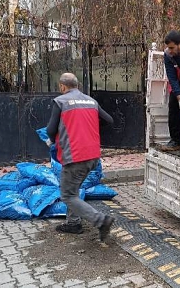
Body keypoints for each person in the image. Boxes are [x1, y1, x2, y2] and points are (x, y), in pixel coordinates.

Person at [46, 73, 115, 241]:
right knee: (73, 190)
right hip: (92, 156)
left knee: (68, 195)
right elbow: (109, 120)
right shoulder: (91, 101)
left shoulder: (61, 101)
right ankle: (73, 223)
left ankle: (100, 220)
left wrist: (53, 138)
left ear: (62, 86)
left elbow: (50, 130)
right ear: (77, 85)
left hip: (74, 156)